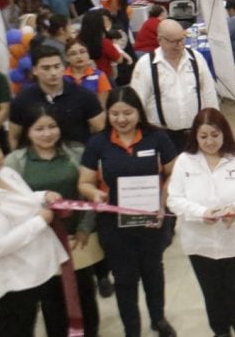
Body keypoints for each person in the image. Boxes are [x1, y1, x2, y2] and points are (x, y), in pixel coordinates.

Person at [78, 86, 179, 337]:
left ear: (139, 112)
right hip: (114, 224)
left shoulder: (156, 137)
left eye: (128, 113)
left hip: (152, 220)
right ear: (107, 114)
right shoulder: (98, 143)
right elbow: (84, 182)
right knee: (124, 279)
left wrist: (161, 200)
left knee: (153, 272)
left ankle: (158, 318)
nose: (121, 119)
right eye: (114, 114)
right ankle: (131, 328)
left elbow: (174, 173)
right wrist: (95, 194)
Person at [6, 104, 100, 337]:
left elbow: (90, 193)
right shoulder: (14, 162)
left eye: (52, 126)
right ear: (27, 132)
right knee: (52, 301)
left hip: (78, 240)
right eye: (39, 129)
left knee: (85, 294)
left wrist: (85, 228)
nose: (47, 133)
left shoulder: (77, 152)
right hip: (41, 243)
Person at [167, 108, 235, 337]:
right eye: (203, 136)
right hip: (200, 243)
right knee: (211, 291)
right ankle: (220, 330)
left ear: (225, 133)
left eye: (215, 135)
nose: (210, 141)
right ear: (195, 137)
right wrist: (201, 212)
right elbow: (174, 199)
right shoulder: (184, 161)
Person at [0, 164, 67, 336]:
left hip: (40, 265)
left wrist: (44, 196)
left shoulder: (6, 172)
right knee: (17, 327)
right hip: (15, 280)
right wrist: (39, 222)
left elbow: (24, 199)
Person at [131, 19, 219, 151]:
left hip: (195, 133)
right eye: (174, 42)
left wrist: (214, 124)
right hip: (161, 136)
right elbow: (137, 104)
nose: (180, 45)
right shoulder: (145, 65)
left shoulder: (196, 58)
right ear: (160, 40)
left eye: (182, 39)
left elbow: (209, 93)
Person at [8, 45, 105, 149]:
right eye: (46, 68)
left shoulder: (84, 96)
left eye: (57, 66)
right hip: (36, 160)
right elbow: (14, 136)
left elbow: (102, 130)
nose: (53, 73)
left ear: (63, 67)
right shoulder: (23, 100)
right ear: (35, 70)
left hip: (76, 158)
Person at [78, 9, 132, 80]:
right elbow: (119, 60)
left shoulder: (78, 40)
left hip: (83, 77)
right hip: (104, 77)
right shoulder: (105, 43)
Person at [64, 37, 112, 106]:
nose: (79, 56)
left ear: (88, 54)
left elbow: (102, 106)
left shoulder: (99, 76)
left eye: (82, 52)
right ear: (67, 58)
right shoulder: (61, 77)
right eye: (73, 54)